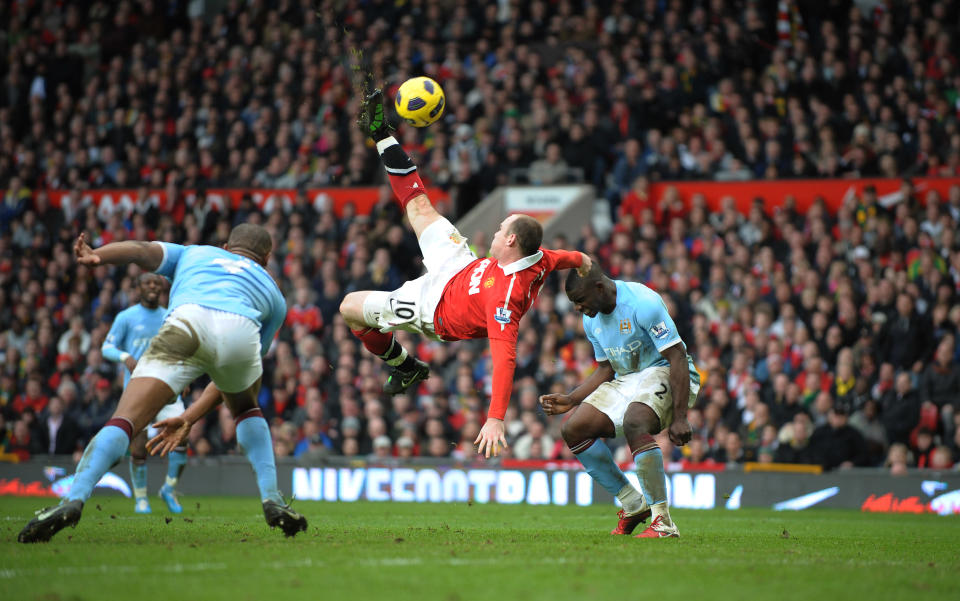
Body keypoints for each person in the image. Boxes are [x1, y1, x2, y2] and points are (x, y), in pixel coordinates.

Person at [18, 224, 306, 543]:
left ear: (225, 246)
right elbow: (230, 376)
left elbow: (141, 250)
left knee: (125, 420)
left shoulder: (195, 252)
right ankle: (271, 499)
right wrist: (189, 418)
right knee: (246, 408)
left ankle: (73, 499)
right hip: (240, 329)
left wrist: (98, 254)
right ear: (266, 258)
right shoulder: (275, 296)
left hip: (187, 321)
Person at [342, 90, 591, 458]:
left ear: (509, 240)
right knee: (419, 205)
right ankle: (382, 133)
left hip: (435, 309)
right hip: (461, 265)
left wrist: (495, 418)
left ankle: (403, 365)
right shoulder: (537, 257)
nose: (493, 230)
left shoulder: (505, 298)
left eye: (499, 228)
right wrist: (586, 263)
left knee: (350, 307)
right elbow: (567, 257)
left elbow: (505, 357)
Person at [540, 263, 700, 538]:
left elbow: (676, 356)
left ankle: (663, 522)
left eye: (580, 300)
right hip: (628, 378)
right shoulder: (591, 320)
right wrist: (572, 398)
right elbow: (605, 368)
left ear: (599, 288)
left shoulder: (643, 303)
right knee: (573, 429)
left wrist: (681, 416)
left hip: (664, 369)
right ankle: (633, 503)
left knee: (635, 420)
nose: (577, 308)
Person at [101, 273, 188, 514]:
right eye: (147, 283)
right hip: (138, 390)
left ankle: (169, 489)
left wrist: (184, 373)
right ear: (138, 287)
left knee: (182, 438)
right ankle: (141, 499)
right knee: (138, 447)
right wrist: (125, 356)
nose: (152, 286)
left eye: (156, 284)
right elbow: (106, 346)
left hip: (168, 389)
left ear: (161, 289)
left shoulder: (170, 316)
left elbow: (179, 349)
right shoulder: (126, 317)